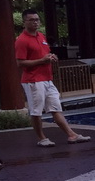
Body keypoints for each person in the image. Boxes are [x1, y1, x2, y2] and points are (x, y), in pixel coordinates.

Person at [14, 9, 90, 147]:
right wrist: (42, 61)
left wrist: (51, 57)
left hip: (47, 79)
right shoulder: (21, 40)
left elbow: (45, 54)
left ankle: (72, 135)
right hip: (33, 80)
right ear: (24, 22)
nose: (35, 22)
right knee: (36, 111)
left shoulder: (41, 36)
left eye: (37, 19)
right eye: (31, 20)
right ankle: (41, 138)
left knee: (56, 108)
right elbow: (20, 63)